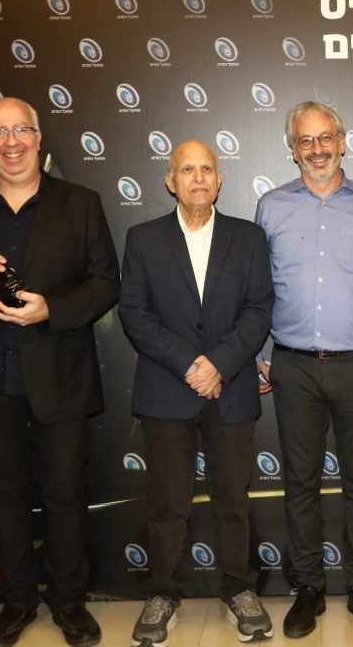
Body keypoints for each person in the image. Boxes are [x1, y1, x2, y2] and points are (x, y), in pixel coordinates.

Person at [0, 98, 119, 647]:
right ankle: (17, 602)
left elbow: (105, 283)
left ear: (39, 138)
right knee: (4, 496)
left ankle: (69, 602)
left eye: (21, 130)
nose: (11, 142)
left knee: (65, 494)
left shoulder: (80, 203)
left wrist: (51, 309)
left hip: (59, 377)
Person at [254, 101, 353, 639]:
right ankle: (309, 588)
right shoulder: (271, 207)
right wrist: (256, 352)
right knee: (300, 483)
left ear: (342, 142)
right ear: (292, 149)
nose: (316, 149)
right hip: (292, 366)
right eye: (305, 140)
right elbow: (255, 287)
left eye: (325, 138)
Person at [119, 140, 275, 645]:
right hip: (168, 390)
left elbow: (259, 310)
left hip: (231, 389)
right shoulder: (143, 238)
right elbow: (134, 313)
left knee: (233, 500)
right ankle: (162, 594)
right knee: (168, 504)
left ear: (219, 179)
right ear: (171, 181)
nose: (199, 178)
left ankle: (239, 589)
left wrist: (219, 364)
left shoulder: (248, 237)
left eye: (207, 169)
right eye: (187, 169)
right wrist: (190, 364)